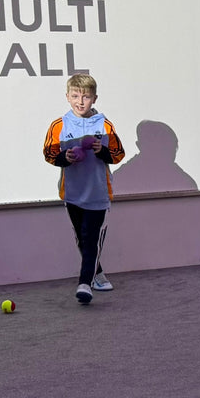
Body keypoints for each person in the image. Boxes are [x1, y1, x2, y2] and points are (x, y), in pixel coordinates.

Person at [42, 73, 126, 304]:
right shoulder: (59, 125)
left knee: (91, 240)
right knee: (82, 238)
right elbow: (49, 153)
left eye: (86, 97)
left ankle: (84, 284)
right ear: (67, 97)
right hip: (72, 194)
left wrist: (102, 151)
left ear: (94, 99)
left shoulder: (104, 125)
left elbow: (118, 155)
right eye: (76, 96)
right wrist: (65, 157)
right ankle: (97, 273)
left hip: (98, 194)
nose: (81, 101)